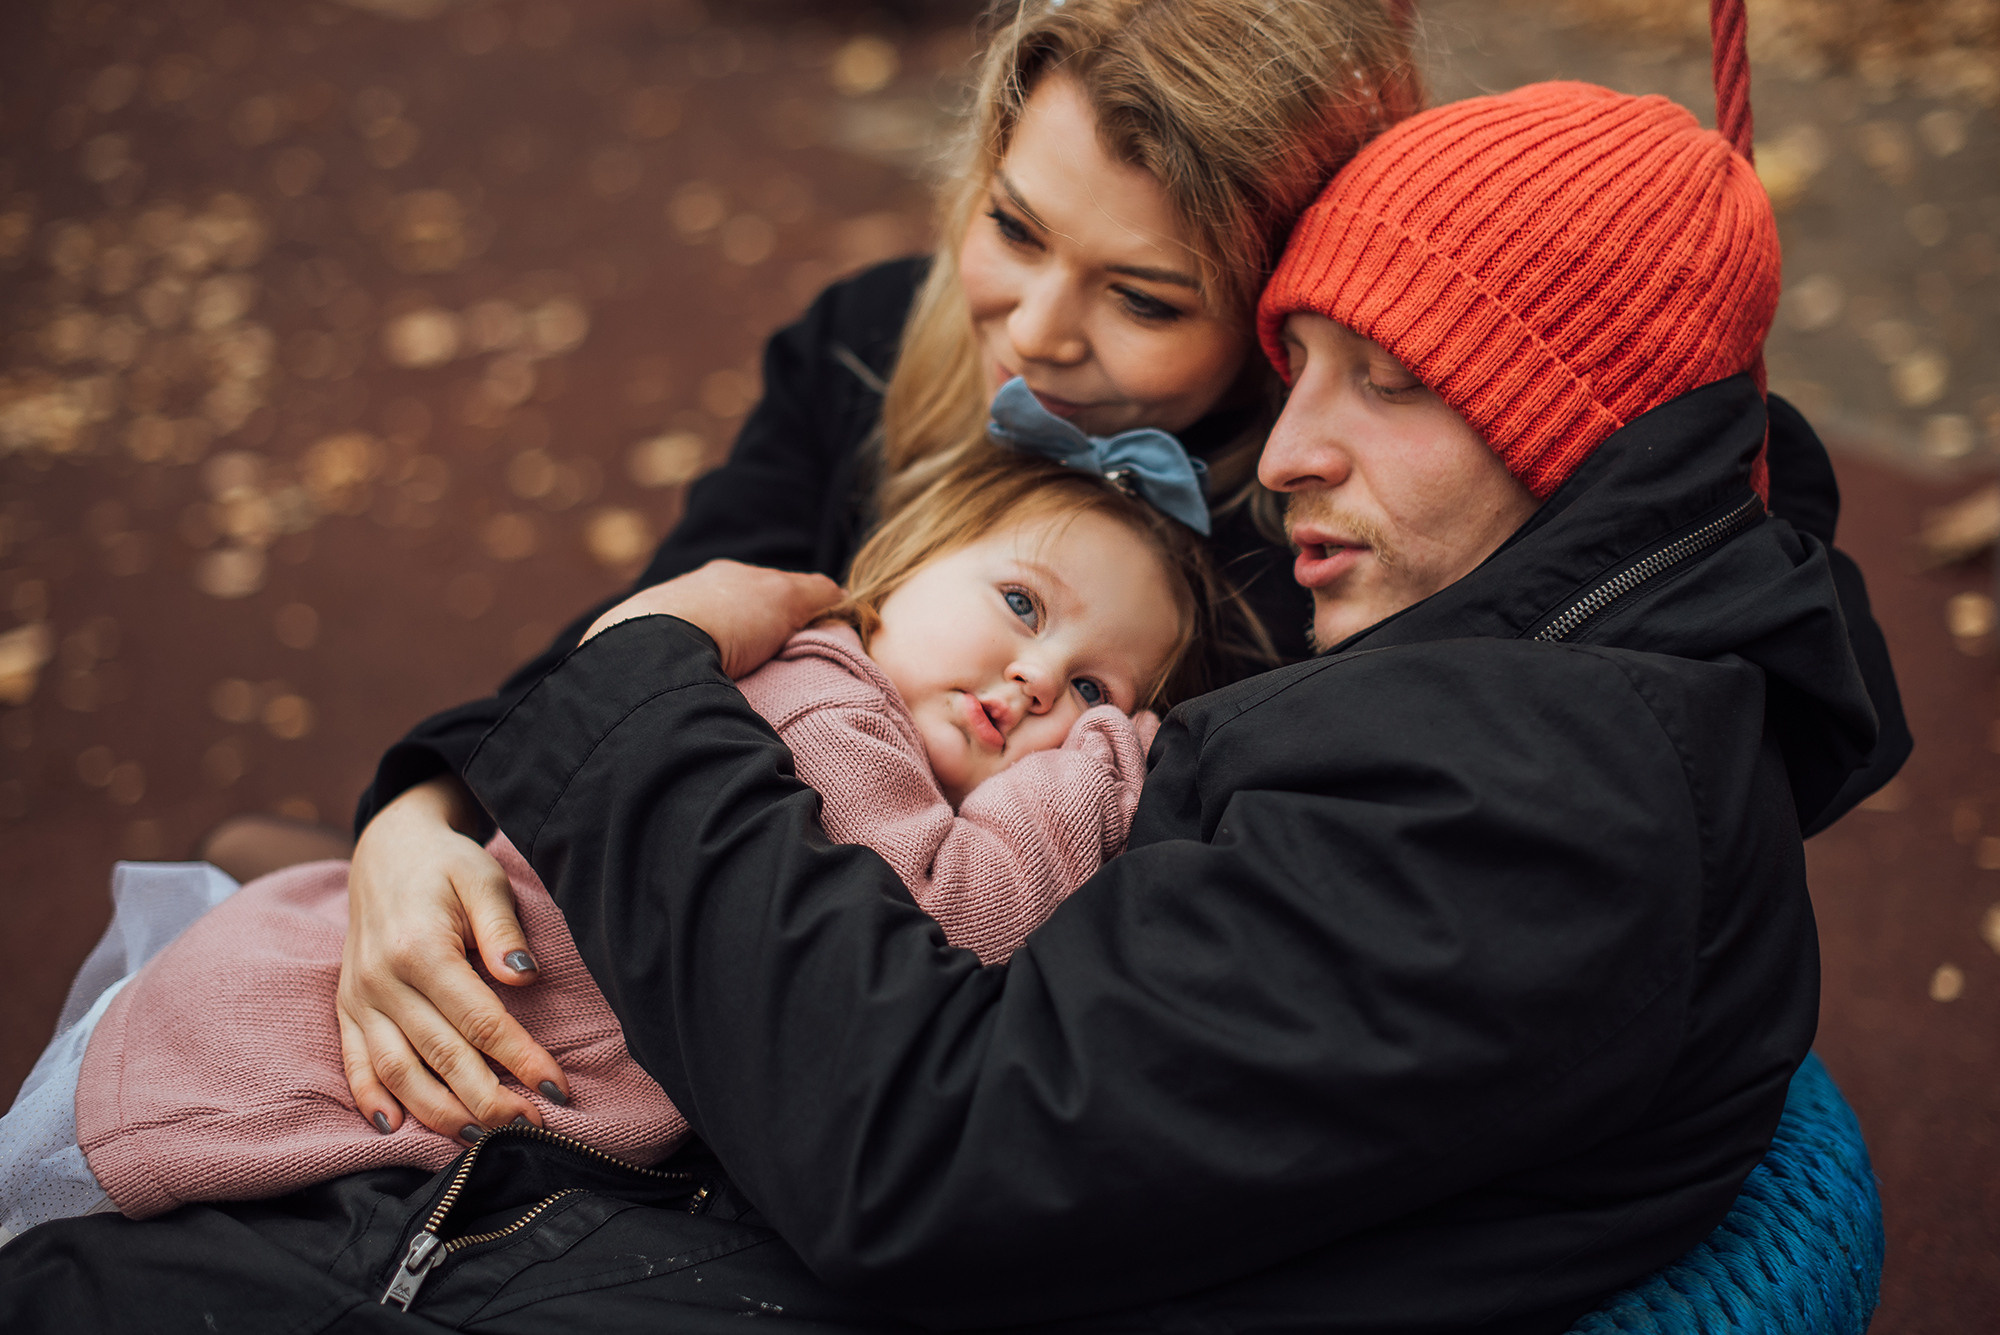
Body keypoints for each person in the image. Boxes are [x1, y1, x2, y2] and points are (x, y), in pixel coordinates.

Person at [0, 67, 1914, 1335]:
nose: (1295, 457)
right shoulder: (1481, 670)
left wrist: (643, 690)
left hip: (787, 1212)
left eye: (1392, 383)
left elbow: (921, 1156)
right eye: (1008, 227)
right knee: (279, 934)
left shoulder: (1492, 763)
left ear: (1565, 431)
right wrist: (439, 799)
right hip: (775, 1127)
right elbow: (667, 621)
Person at [1, 438, 1238, 1233]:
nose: (1032, 679)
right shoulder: (824, 701)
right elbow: (951, 923)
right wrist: (1113, 753)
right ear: (891, 575)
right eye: (1019, 605)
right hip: (282, 1051)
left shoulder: (883, 748)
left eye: (1090, 687)